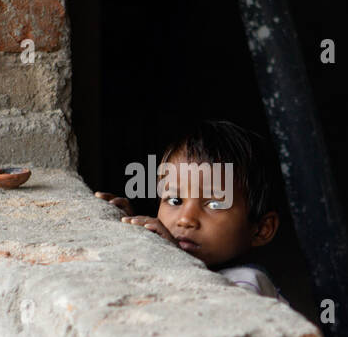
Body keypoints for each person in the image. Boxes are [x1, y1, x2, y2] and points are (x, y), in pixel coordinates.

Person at [95, 119, 288, 302]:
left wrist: (173, 259)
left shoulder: (248, 284)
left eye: (214, 205)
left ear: (262, 229)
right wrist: (132, 227)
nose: (186, 219)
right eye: (175, 200)